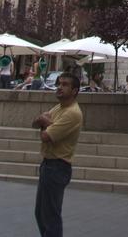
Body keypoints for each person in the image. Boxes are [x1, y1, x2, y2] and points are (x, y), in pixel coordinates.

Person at [31, 73, 82, 236]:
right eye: (59, 83)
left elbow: (46, 136)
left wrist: (45, 122)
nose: (59, 87)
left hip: (58, 166)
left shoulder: (72, 113)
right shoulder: (59, 108)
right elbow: (35, 123)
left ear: (74, 91)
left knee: (50, 216)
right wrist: (46, 122)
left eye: (65, 84)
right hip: (48, 165)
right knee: (40, 213)